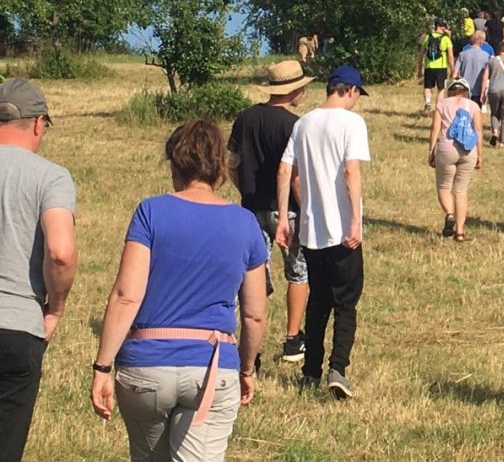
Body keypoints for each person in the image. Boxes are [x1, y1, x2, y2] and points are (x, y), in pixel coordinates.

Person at [91, 120, 267, 462]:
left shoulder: (150, 212)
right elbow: (255, 314)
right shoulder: (246, 223)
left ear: (175, 162)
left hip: (146, 368)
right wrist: (247, 369)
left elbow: (127, 295)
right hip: (212, 369)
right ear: (221, 167)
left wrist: (102, 367)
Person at [275, 66, 370, 400]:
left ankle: (310, 370)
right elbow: (350, 170)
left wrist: (286, 218)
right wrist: (355, 220)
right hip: (343, 230)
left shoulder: (304, 123)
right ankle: (338, 369)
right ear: (351, 91)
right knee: (346, 303)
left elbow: (286, 169)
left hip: (312, 230)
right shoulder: (351, 123)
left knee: (318, 302)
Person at [0, 78, 76, 461]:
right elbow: (60, 251)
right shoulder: (51, 176)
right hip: (17, 324)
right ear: (36, 123)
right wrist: (56, 308)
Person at [227, 60, 312, 364]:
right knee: (298, 272)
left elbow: (232, 163)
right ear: (295, 91)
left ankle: (252, 346)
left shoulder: (246, 117)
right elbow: (295, 175)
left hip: (251, 209)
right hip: (286, 211)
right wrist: (304, 208)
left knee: (254, 278)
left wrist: (245, 193)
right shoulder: (295, 125)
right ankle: (292, 340)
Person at [428, 77, 483, 242]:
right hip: (468, 150)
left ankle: (450, 214)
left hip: (447, 149)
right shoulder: (473, 106)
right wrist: (480, 154)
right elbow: (478, 130)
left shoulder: (442, 104)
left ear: (450, 89)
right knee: (461, 190)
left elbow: (435, 128)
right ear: (466, 90)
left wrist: (431, 150)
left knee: (444, 187)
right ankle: (459, 232)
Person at [418, 19, 454, 115]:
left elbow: (421, 54)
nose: (445, 28)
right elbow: (450, 56)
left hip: (429, 66)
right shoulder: (446, 39)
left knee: (427, 87)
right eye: (444, 26)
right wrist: (452, 69)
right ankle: (438, 110)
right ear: (440, 26)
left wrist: (419, 69)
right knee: (441, 89)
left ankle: (427, 104)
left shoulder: (427, 37)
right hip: (441, 67)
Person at [453, 32, 490, 105]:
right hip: (478, 90)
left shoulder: (462, 54)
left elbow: (455, 72)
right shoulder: (486, 56)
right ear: (481, 41)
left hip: (464, 88)